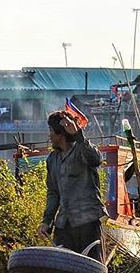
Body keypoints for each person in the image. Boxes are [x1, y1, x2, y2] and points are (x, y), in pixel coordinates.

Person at [38, 111, 107, 262]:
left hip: (87, 220)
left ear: (60, 133)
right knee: (62, 270)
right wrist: (47, 221)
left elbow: (96, 159)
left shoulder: (81, 150)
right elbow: (53, 193)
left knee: (93, 270)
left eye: (51, 131)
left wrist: (78, 134)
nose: (49, 136)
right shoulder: (52, 159)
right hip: (63, 224)